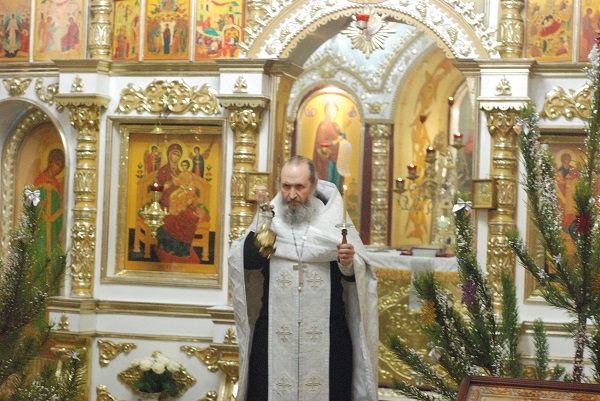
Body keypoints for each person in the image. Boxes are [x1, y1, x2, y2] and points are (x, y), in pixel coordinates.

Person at [229, 155, 379, 401]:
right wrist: (264, 226)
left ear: (314, 184)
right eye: (286, 186)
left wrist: (348, 263)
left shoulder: (333, 220)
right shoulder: (269, 216)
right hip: (274, 333)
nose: (292, 194)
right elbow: (246, 263)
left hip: (328, 334)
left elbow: (358, 278)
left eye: (299, 186)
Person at [312, 102, 346, 192]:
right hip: (327, 159)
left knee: (336, 181)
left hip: (337, 157)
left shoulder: (336, 125)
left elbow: (340, 138)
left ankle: (336, 196)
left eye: (335, 109)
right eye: (332, 109)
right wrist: (334, 141)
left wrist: (342, 136)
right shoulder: (323, 125)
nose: (334, 111)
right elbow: (320, 141)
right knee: (328, 178)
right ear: (327, 111)